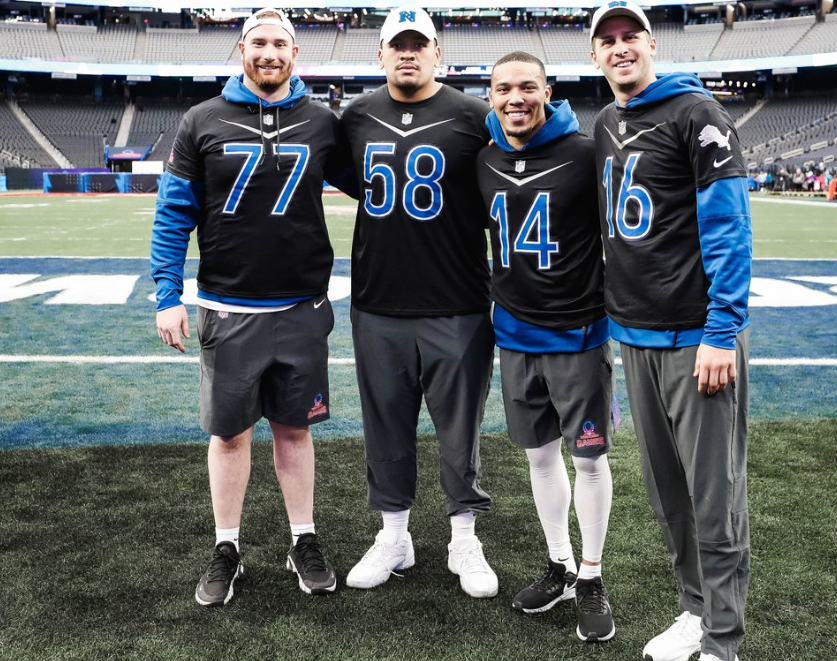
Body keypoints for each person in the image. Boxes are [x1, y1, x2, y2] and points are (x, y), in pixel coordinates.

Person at [151, 7, 355, 607]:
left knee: (295, 430)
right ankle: (226, 546)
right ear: (241, 48)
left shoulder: (321, 121)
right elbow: (173, 216)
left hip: (300, 307)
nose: (269, 52)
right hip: (227, 306)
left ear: (296, 55)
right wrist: (168, 295)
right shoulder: (202, 120)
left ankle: (303, 539)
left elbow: (374, 187)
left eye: (280, 43)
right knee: (230, 434)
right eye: (259, 41)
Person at [589, 3, 752, 661]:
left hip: (694, 338)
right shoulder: (604, 121)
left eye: (631, 36)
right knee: (669, 495)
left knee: (714, 498)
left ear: (651, 44)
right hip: (636, 336)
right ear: (595, 54)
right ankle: (693, 608)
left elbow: (728, 227)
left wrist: (721, 330)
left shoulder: (695, 113)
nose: (620, 47)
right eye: (608, 40)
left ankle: (722, 638)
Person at [339, 5, 497, 598]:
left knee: (461, 428)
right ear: (380, 54)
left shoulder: (474, 116)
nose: (408, 53)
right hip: (378, 301)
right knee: (386, 426)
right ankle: (394, 535)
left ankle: (463, 536)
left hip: (457, 300)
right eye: (397, 45)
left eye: (418, 44)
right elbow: (354, 181)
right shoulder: (355, 116)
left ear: (438, 52)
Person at [476, 51, 616, 642]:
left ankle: (591, 576)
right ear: (490, 96)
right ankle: (559, 564)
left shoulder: (586, 155)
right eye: (503, 88)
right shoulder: (483, 159)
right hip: (513, 333)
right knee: (538, 457)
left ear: (548, 92)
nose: (515, 98)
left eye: (527, 87)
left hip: (577, 335)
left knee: (587, 458)